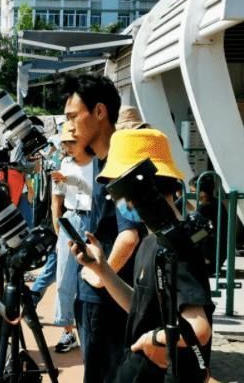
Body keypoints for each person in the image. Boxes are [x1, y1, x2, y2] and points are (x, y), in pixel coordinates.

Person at [73, 128, 213, 383]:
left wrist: (153, 340)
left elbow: (199, 329)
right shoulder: (150, 242)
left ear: (138, 187)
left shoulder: (176, 247)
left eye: (117, 191)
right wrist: (102, 269)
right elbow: (141, 308)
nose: (118, 202)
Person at [62, 74, 143, 382]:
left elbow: (129, 234)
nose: (69, 125)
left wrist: (99, 277)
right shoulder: (100, 158)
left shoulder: (118, 163)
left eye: (73, 116)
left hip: (107, 300)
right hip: (102, 294)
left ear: (99, 112)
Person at [48, 121, 93, 353]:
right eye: (65, 142)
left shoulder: (98, 163)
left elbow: (93, 190)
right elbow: (57, 195)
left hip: (93, 219)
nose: (66, 146)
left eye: (71, 141)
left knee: (94, 277)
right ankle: (67, 330)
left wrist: (70, 181)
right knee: (64, 276)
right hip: (71, 218)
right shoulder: (64, 163)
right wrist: (58, 225)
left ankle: (90, 330)